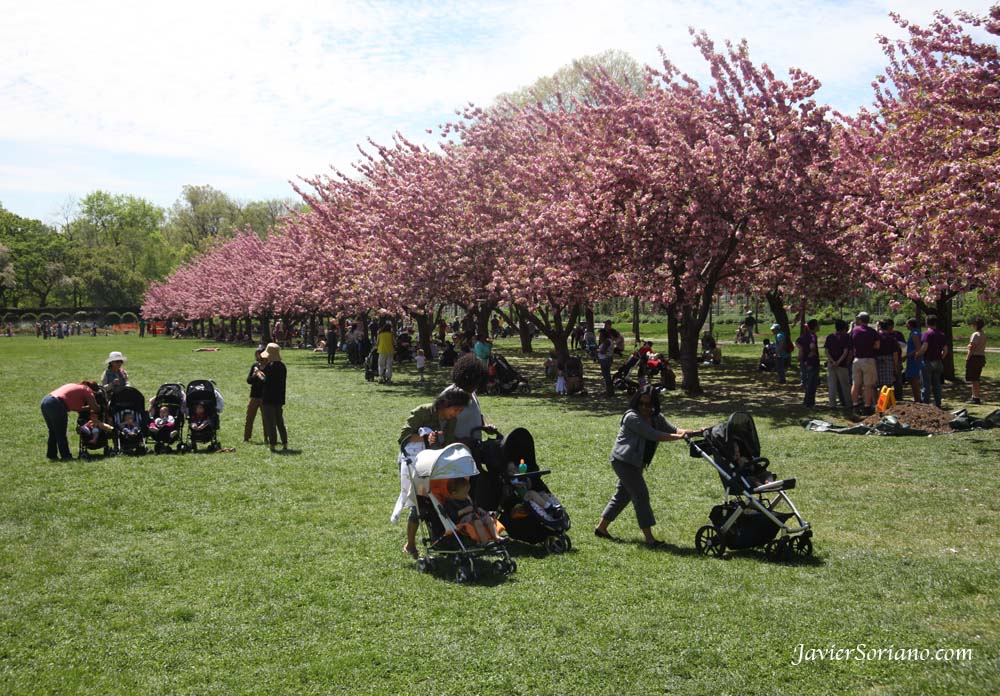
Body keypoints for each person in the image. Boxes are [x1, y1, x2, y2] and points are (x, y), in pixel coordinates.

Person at [594, 386, 703, 548]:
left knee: (623, 495)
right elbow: (654, 435)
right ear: (636, 402)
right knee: (641, 496)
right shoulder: (632, 417)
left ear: (654, 404)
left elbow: (674, 430)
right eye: (642, 404)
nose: (645, 408)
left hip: (637, 463)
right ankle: (649, 539)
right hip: (624, 461)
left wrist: (697, 432)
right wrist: (679, 437)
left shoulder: (656, 417)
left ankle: (601, 529)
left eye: (649, 404)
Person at [397, 386, 472, 558]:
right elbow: (403, 437)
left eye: (460, 411)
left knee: (440, 501)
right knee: (419, 504)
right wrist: (425, 437)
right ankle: (411, 544)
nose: (457, 414)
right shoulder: (423, 412)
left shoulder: (451, 421)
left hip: (439, 465)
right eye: (456, 409)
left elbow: (449, 442)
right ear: (445, 404)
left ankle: (443, 538)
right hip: (417, 463)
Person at [41, 381, 110, 460]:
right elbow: (95, 408)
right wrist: (101, 407)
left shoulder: (74, 386)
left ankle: (51, 455)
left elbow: (76, 408)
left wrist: (87, 408)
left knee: (53, 431)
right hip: (57, 404)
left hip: (46, 401)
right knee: (61, 432)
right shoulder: (87, 390)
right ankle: (66, 456)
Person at [444, 476, 502, 543]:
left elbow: (473, 506)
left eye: (467, 492)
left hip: (474, 517)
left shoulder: (466, 498)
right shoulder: (450, 502)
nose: (467, 495)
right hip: (462, 521)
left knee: (489, 519)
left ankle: (497, 537)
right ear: (454, 493)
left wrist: (478, 509)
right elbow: (451, 515)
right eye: (465, 493)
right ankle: (485, 542)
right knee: (478, 522)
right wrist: (463, 511)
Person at [260, 342, 288, 451]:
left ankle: (272, 444)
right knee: (279, 421)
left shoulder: (270, 367)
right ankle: (285, 443)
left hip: (269, 397)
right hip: (279, 397)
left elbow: (266, 381)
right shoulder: (282, 366)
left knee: (270, 422)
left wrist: (259, 373)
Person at [850, 312, 880, 413]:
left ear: (859, 319)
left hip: (857, 359)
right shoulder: (872, 332)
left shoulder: (855, 330)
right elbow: (877, 346)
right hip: (868, 359)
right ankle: (867, 406)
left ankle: (855, 405)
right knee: (868, 385)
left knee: (856, 384)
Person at [824, 320, 853, 412]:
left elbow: (826, 351)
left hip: (831, 364)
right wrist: (839, 362)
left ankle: (832, 404)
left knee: (832, 385)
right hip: (842, 364)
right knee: (845, 385)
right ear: (845, 328)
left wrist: (832, 361)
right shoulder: (846, 337)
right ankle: (848, 404)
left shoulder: (830, 337)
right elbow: (846, 352)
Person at [921, 315, 948, 408]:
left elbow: (924, 347)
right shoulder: (941, 334)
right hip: (938, 361)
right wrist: (941, 357)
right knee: (937, 384)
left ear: (927, 323)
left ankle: (925, 404)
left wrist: (918, 354)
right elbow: (945, 349)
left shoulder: (927, 334)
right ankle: (938, 403)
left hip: (928, 361)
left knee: (926, 384)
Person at [796, 319, 821, 407]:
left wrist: (801, 350)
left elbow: (797, 342)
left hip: (805, 362)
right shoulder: (813, 336)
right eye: (818, 325)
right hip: (812, 362)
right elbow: (812, 346)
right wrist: (812, 351)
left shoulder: (804, 335)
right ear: (814, 326)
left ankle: (807, 401)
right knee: (812, 383)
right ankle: (809, 403)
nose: (819, 326)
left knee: (808, 382)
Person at [244, 346, 266, 442]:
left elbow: (265, 381)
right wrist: (254, 375)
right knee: (249, 418)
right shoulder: (254, 366)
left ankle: (267, 437)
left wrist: (259, 374)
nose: (257, 355)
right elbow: (249, 381)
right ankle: (246, 438)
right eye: (256, 353)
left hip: (264, 397)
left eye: (259, 353)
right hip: (254, 396)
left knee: (266, 419)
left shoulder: (268, 366)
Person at [965, 317, 987, 405]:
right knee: (976, 377)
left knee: (974, 379)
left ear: (976, 325)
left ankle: (975, 397)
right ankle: (975, 396)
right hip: (981, 357)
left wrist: (967, 358)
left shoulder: (975, 334)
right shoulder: (983, 334)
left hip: (974, 357)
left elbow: (972, 348)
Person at [904, 318, 925, 402]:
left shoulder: (915, 334)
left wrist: (909, 355)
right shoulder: (912, 333)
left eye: (907, 324)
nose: (906, 325)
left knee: (914, 379)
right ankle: (916, 397)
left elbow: (918, 348)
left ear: (911, 325)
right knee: (911, 378)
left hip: (915, 360)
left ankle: (918, 399)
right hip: (911, 359)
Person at [597, 328, 615, 396]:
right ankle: (608, 390)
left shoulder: (607, 341)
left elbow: (603, 351)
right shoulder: (606, 341)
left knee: (606, 376)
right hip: (605, 359)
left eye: (600, 334)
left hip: (605, 360)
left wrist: (597, 350)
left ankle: (609, 391)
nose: (599, 336)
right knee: (606, 376)